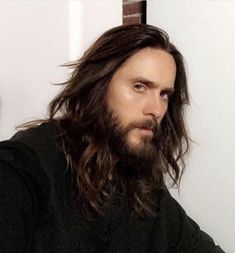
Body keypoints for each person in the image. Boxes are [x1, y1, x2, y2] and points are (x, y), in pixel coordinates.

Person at [0, 24, 224, 253]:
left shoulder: (144, 189)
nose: (156, 109)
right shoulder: (22, 167)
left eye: (164, 94)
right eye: (139, 87)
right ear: (99, 85)